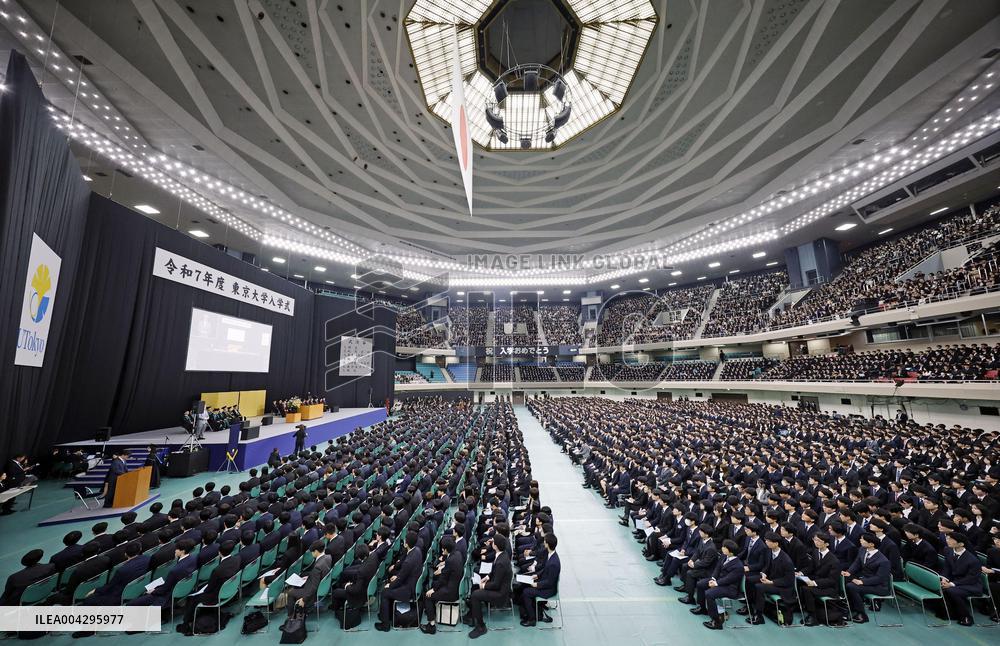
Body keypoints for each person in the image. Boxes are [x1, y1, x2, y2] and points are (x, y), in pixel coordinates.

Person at [175, 541, 241, 635]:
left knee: (192, 598)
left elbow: (209, 589)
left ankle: (186, 622)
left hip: (216, 595)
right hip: (230, 589)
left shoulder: (217, 570)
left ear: (219, 552)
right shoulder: (237, 559)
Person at [464, 534, 513, 639]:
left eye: (493, 542)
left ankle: (481, 626)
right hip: (498, 587)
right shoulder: (501, 555)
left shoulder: (501, 561)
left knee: (476, 595)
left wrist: (484, 586)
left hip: (500, 594)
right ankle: (473, 615)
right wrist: (487, 577)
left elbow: (496, 584)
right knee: (474, 588)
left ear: (495, 545)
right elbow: (495, 572)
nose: (491, 542)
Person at [375, 531, 423, 631]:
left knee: (385, 592)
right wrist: (397, 576)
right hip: (412, 583)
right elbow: (404, 574)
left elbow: (401, 579)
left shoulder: (408, 561)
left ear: (406, 544)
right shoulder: (417, 551)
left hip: (408, 590)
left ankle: (385, 625)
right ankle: (386, 615)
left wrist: (390, 585)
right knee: (390, 585)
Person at [693, 539, 744, 630]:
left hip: (730, 588)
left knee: (709, 593)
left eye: (724, 547)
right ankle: (702, 608)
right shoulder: (724, 556)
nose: (722, 548)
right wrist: (713, 578)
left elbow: (729, 579)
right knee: (700, 584)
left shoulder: (738, 565)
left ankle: (716, 621)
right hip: (719, 581)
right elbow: (717, 568)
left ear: (730, 551)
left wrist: (716, 583)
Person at [842, 532, 891, 624]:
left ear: (871, 544)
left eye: (863, 539)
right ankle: (849, 608)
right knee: (843, 579)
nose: (860, 540)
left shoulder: (883, 561)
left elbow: (879, 578)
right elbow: (857, 563)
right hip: (864, 578)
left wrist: (862, 582)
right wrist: (849, 572)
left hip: (879, 587)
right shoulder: (862, 549)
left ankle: (861, 614)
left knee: (852, 586)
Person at [940, 532, 986, 626]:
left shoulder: (973, 560)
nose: (948, 540)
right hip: (956, 582)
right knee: (944, 588)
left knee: (952, 591)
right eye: (948, 538)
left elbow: (971, 579)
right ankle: (951, 614)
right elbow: (947, 567)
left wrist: (952, 583)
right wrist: (944, 578)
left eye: (951, 539)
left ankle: (966, 617)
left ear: (961, 544)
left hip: (972, 585)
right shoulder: (948, 550)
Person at [420, 536, 462, 634]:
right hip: (455, 586)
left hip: (450, 592)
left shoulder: (450, 560)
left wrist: (433, 590)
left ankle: (431, 625)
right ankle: (432, 611)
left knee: (428, 596)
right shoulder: (458, 554)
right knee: (434, 584)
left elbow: (442, 580)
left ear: (445, 549)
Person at [518, 533, 560, 626]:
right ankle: (526, 610)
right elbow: (544, 569)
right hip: (544, 582)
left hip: (548, 590)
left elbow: (550, 582)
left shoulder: (554, 563)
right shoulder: (550, 555)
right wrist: (536, 576)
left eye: (545, 541)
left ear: (547, 544)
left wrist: (537, 584)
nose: (544, 542)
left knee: (527, 592)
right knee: (524, 585)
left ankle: (532, 619)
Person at [286, 540, 331, 618]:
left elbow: (313, 587)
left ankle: (291, 616)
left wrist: (304, 599)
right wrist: (310, 576)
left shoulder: (317, 567)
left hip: (312, 592)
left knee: (290, 593)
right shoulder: (328, 557)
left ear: (316, 551)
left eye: (312, 552)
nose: (311, 553)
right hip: (321, 585)